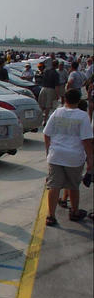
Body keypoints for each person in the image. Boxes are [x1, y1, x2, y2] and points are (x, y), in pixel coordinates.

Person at [43, 88, 94, 226]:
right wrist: (90, 160)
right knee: (73, 186)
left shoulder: (57, 113)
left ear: (65, 99)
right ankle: (74, 211)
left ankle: (50, 216)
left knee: (54, 186)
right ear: (78, 100)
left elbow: (47, 134)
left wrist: (49, 151)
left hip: (56, 155)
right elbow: (87, 140)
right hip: (74, 157)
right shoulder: (82, 116)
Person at [38, 60, 61, 125]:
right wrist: (57, 95)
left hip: (43, 88)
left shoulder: (46, 71)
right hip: (51, 89)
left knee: (42, 105)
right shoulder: (56, 73)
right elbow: (56, 86)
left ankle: (38, 119)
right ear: (57, 65)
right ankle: (45, 120)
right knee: (48, 106)